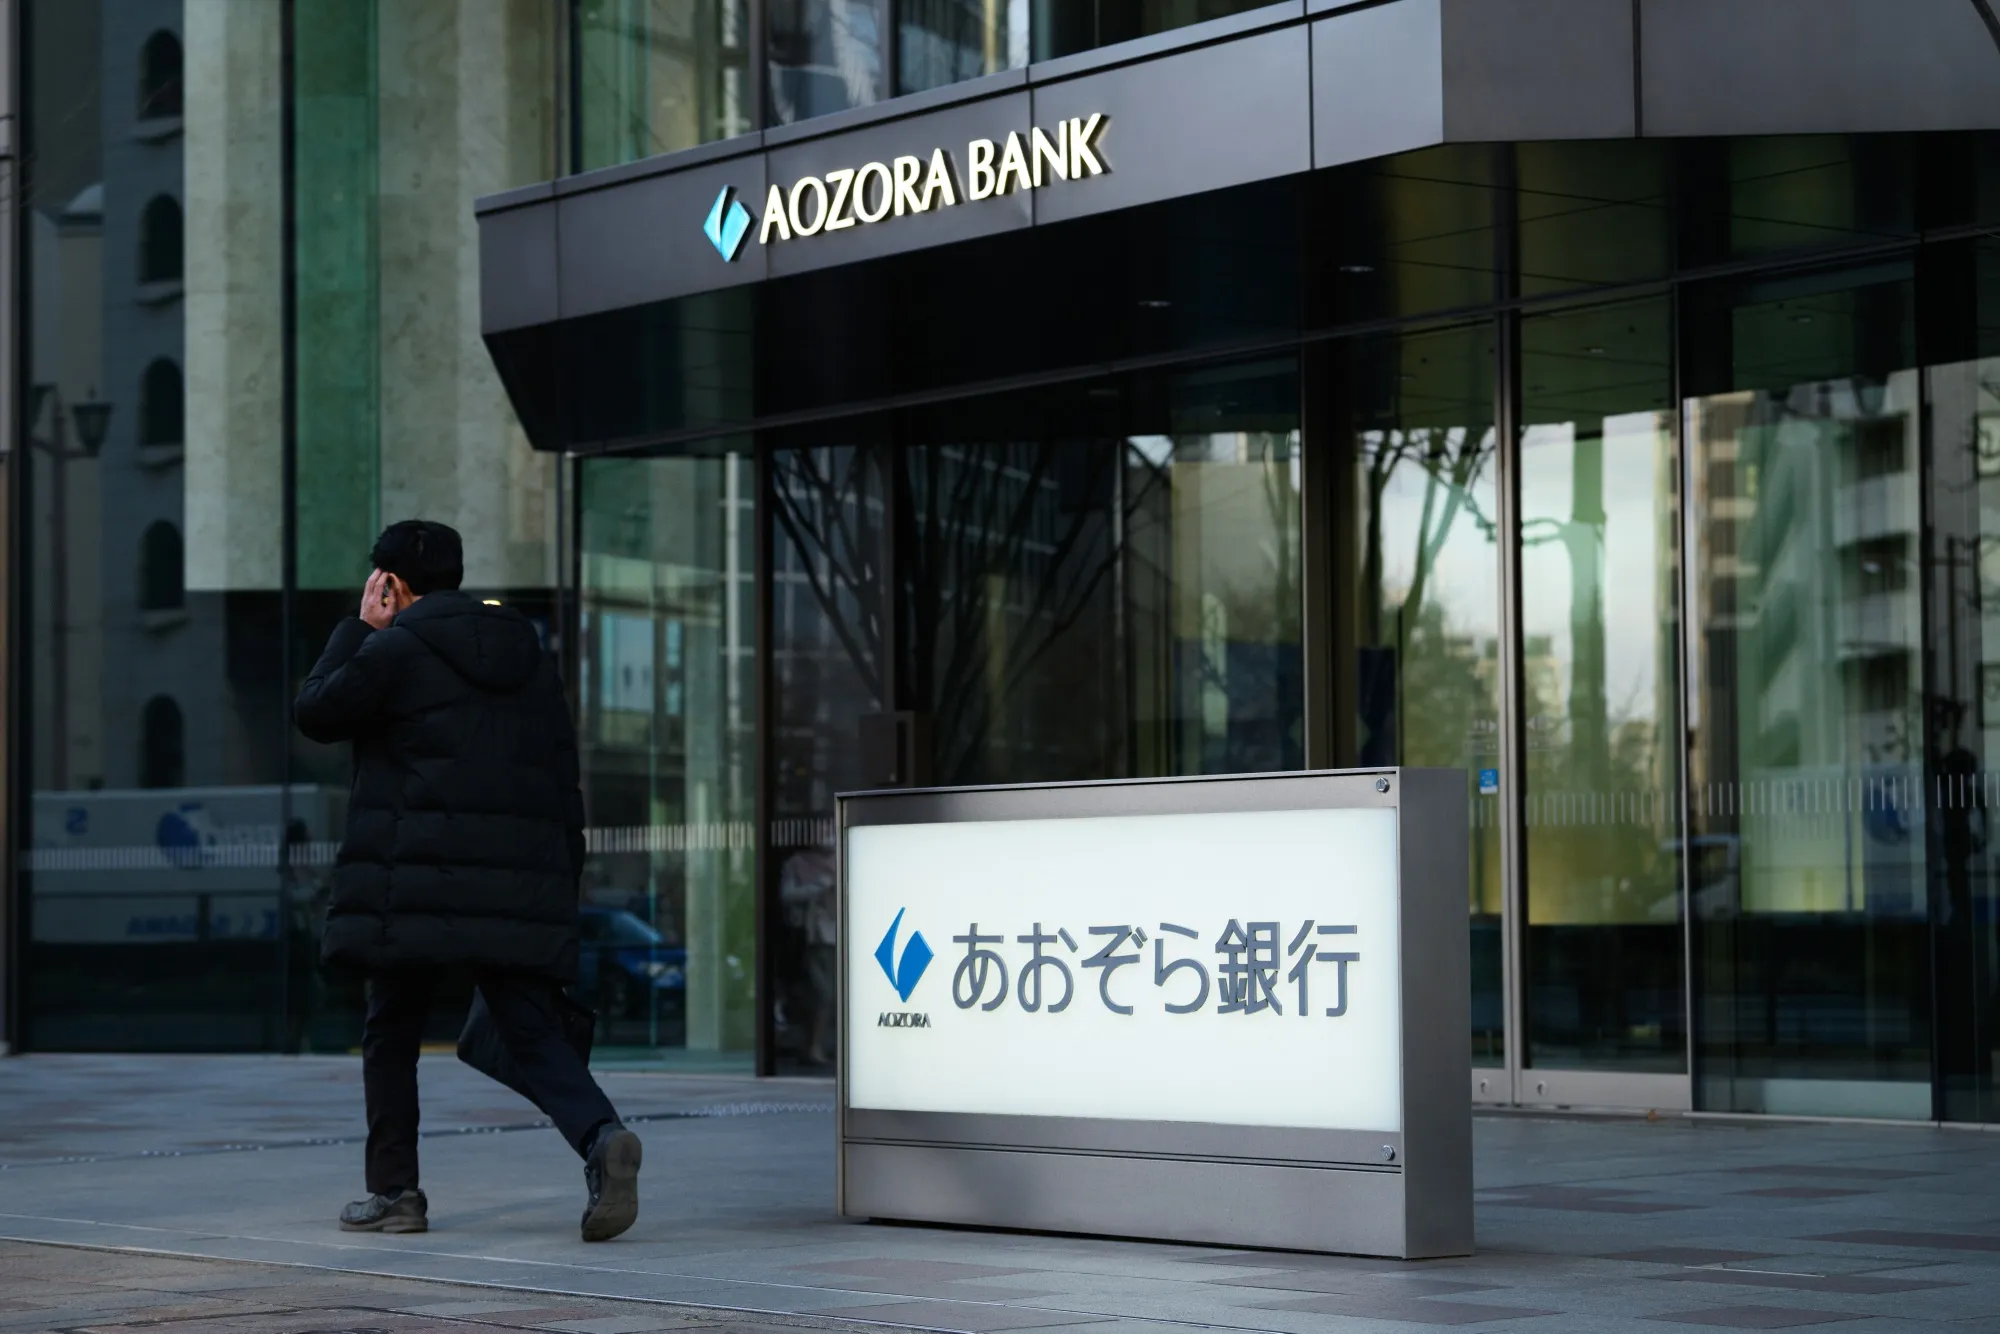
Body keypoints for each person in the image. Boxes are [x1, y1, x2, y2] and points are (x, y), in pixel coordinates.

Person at [295, 519, 642, 1242]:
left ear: (389, 584)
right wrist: (562, 878)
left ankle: (396, 1194)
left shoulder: (392, 650)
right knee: (528, 1026)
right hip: (509, 884)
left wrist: (358, 629)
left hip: (412, 880)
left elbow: (317, 711)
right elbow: (560, 774)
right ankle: (601, 1136)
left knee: (391, 1027)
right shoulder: (528, 653)